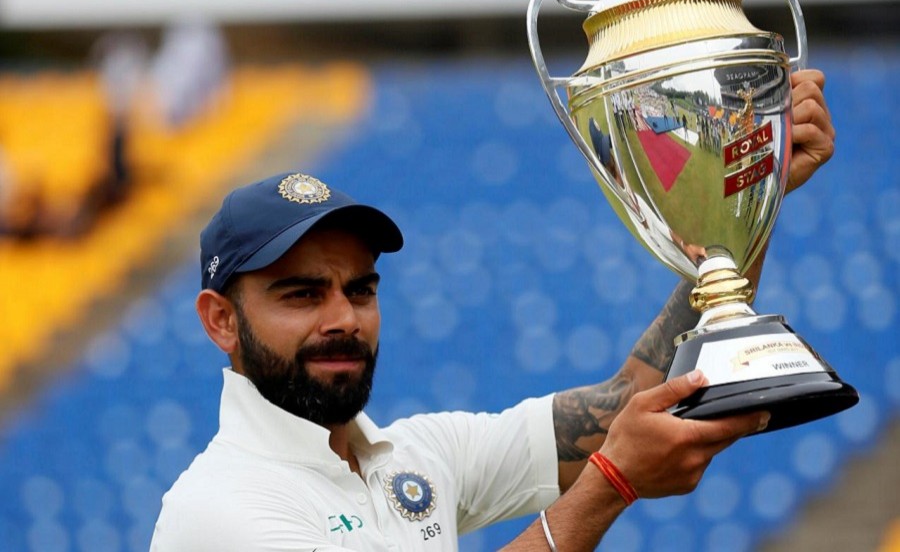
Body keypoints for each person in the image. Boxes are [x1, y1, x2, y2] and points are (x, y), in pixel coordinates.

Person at [149, 69, 836, 551]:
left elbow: (627, 403)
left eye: (360, 289)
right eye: (302, 294)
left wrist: (749, 199)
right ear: (220, 320)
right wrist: (611, 484)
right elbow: (613, 455)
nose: (343, 318)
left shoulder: (413, 456)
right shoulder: (218, 510)